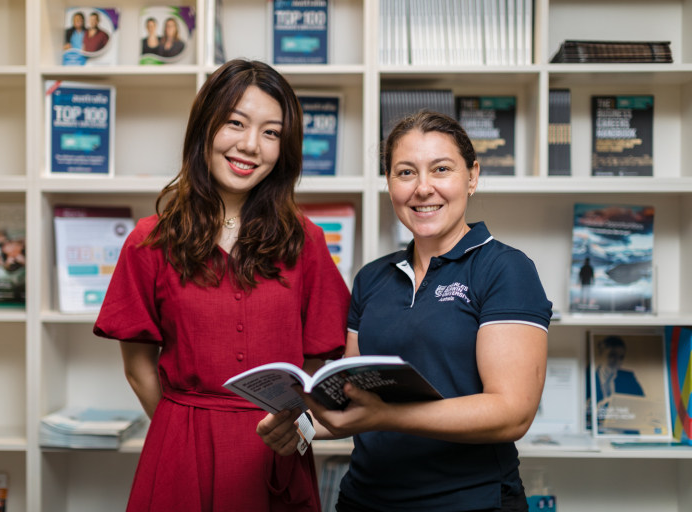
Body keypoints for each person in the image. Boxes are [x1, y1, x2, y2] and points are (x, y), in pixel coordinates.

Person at [259, 111, 552, 512]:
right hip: (364, 499)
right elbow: (351, 403)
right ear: (389, 183)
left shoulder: (505, 269)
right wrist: (299, 428)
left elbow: (512, 413)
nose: (423, 188)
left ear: (472, 176)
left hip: (469, 502)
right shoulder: (371, 279)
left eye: (441, 169)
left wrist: (386, 415)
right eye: (405, 172)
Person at [94, 59, 350, 512]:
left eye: (271, 133)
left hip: (277, 449)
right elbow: (138, 369)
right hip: (180, 450)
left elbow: (316, 363)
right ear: (205, 126)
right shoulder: (149, 240)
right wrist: (186, 433)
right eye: (236, 123)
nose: (251, 146)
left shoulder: (304, 240)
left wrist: (295, 429)